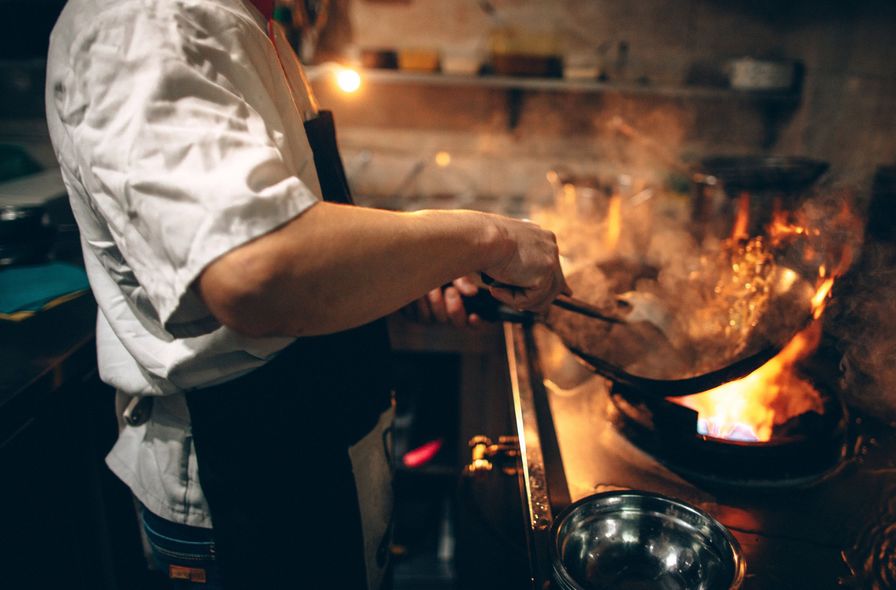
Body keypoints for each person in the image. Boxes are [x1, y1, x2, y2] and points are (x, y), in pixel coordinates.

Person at [44, 0, 568, 588]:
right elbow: (256, 269)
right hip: (242, 475)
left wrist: (412, 267)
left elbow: (292, 232)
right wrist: (486, 239)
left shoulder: (245, 19)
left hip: (309, 445)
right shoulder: (152, 17)